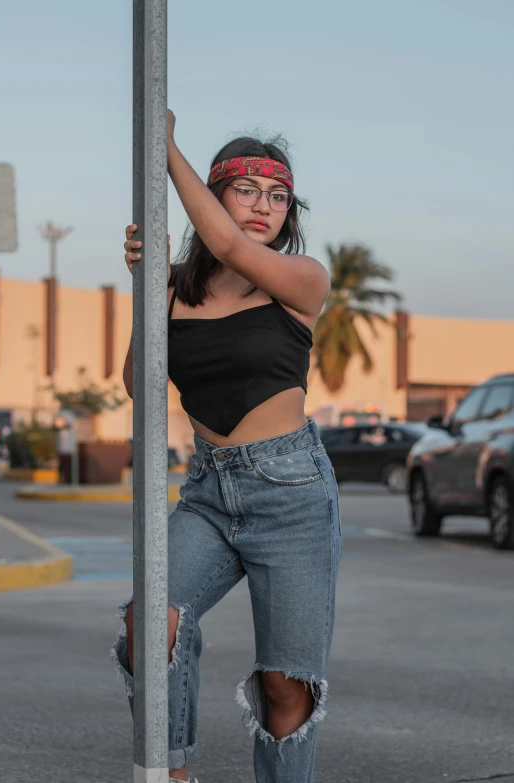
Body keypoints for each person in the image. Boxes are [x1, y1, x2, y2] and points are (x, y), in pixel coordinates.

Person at [112, 110, 342, 783]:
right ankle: (172, 772)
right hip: (210, 490)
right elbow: (138, 384)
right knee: (150, 622)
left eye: (277, 196)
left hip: (292, 493)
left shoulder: (300, 279)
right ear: (216, 196)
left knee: (284, 686)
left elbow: (238, 252)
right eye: (245, 190)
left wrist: (165, 147)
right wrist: (146, 287)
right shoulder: (177, 286)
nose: (263, 206)